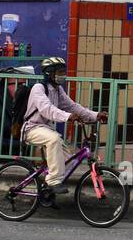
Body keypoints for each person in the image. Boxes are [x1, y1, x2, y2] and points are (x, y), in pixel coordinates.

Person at [20, 56, 108, 198]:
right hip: (32, 129)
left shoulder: (58, 89)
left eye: (63, 72)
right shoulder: (39, 88)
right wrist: (68, 116)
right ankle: (52, 181)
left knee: (68, 159)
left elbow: (72, 106)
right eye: (59, 72)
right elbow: (46, 109)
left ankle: (47, 185)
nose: (63, 75)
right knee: (54, 139)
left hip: (46, 130)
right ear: (49, 73)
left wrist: (95, 115)